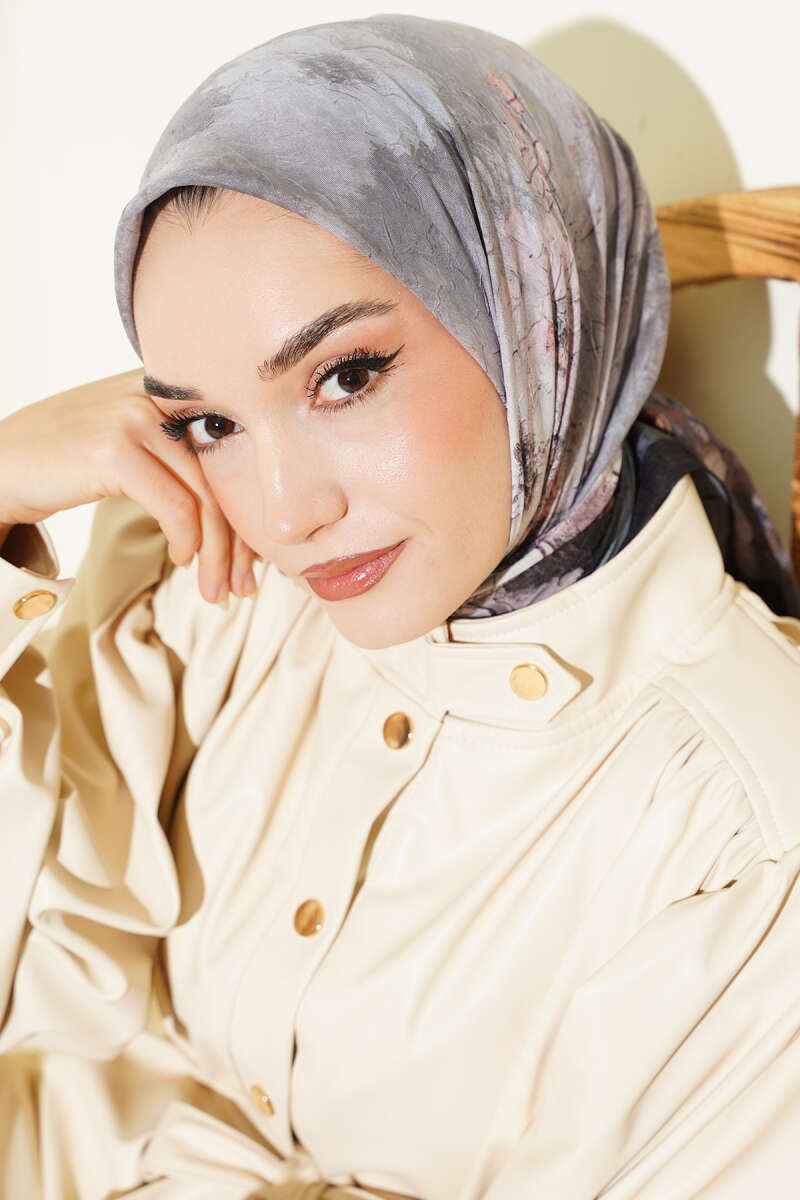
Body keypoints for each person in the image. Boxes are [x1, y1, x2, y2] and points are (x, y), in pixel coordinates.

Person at [1, 12, 800, 1198]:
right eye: (210, 420)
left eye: (346, 376)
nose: (285, 512)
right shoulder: (208, 574)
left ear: (533, 317)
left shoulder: (744, 845)